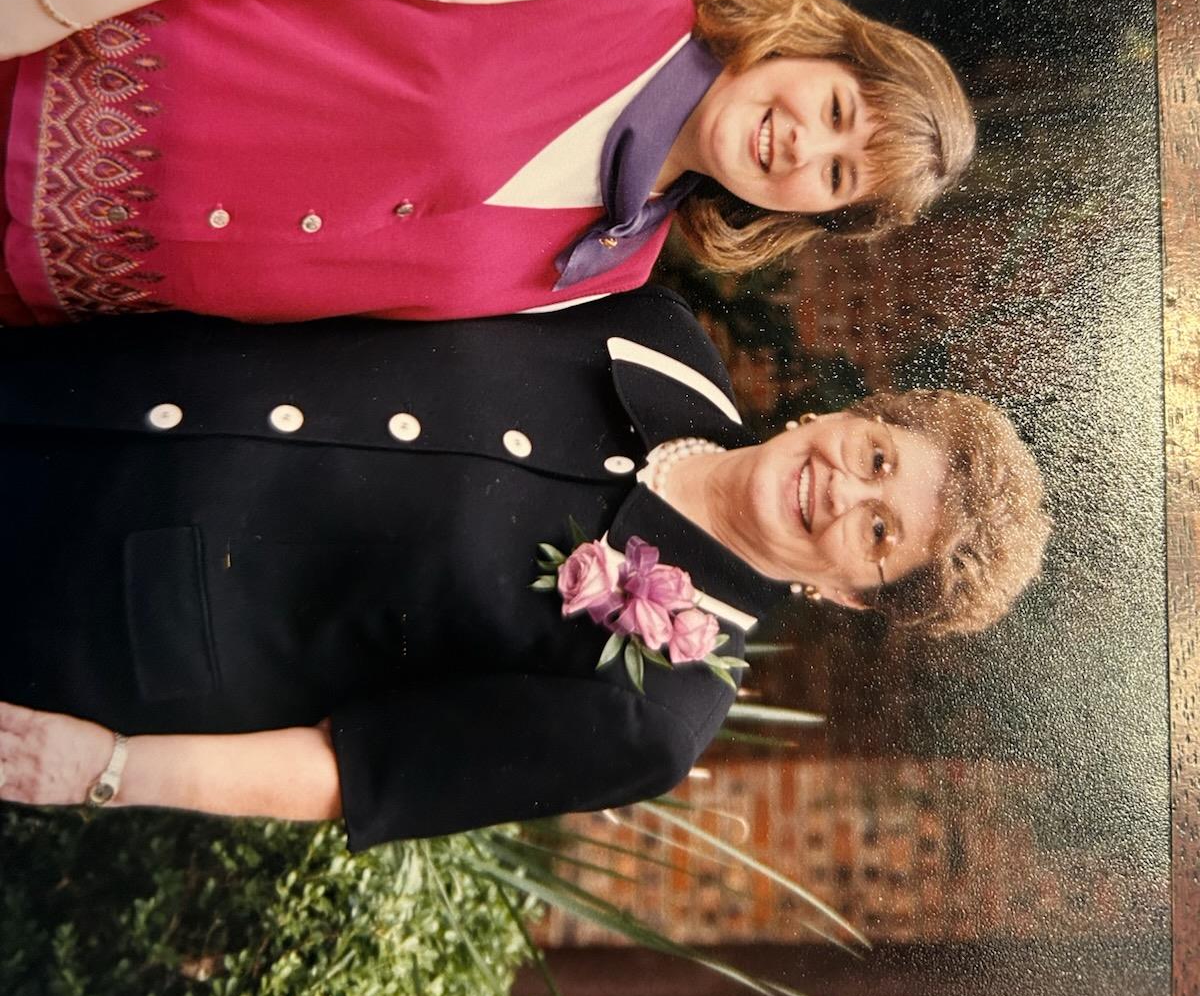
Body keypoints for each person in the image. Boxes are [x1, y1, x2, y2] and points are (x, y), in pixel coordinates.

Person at [0, 287, 1050, 848]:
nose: (843, 490)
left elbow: (360, 771)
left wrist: (106, 770)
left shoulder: (660, 712)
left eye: (879, 532)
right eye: (877, 459)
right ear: (853, 415)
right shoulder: (658, 335)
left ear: (851, 595)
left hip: (88, 619)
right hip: (90, 383)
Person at [0, 0, 975, 324]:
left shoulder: (609, 268)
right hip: (57, 23)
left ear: (806, 216)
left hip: (47, 265)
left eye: (837, 176)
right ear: (811, 40)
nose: (803, 145)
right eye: (836, 109)